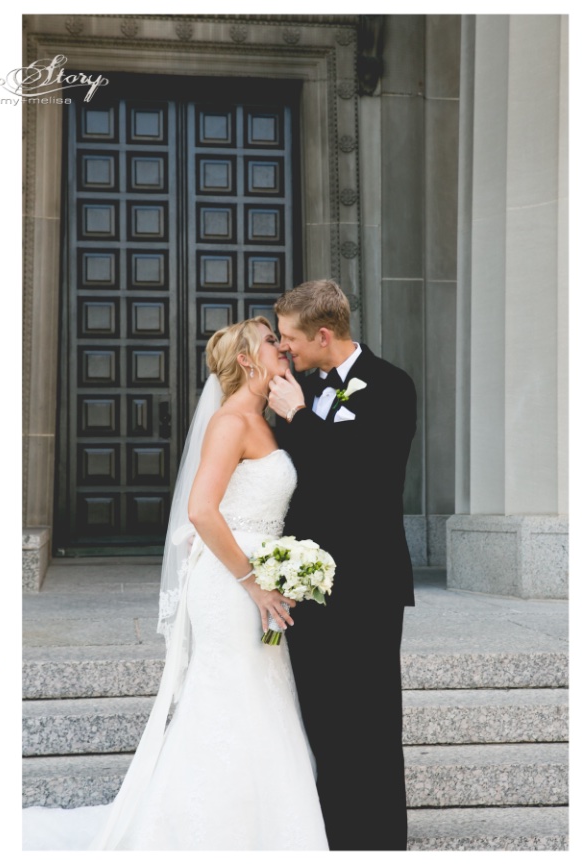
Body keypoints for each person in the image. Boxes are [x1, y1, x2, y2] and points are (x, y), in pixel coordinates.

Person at [23, 317, 328, 850]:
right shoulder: (231, 422)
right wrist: (255, 581)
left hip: (258, 578)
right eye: (271, 342)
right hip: (233, 586)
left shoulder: (265, 421)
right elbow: (202, 512)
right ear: (247, 361)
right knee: (229, 700)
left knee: (261, 698)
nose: (282, 348)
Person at [266, 279, 416, 850]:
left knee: (371, 723)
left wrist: (301, 418)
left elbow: (363, 479)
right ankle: (333, 837)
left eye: (291, 338)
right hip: (309, 584)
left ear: (323, 334)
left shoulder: (390, 386)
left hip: (369, 585)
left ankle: (378, 844)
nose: (286, 350)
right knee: (324, 721)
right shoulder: (300, 387)